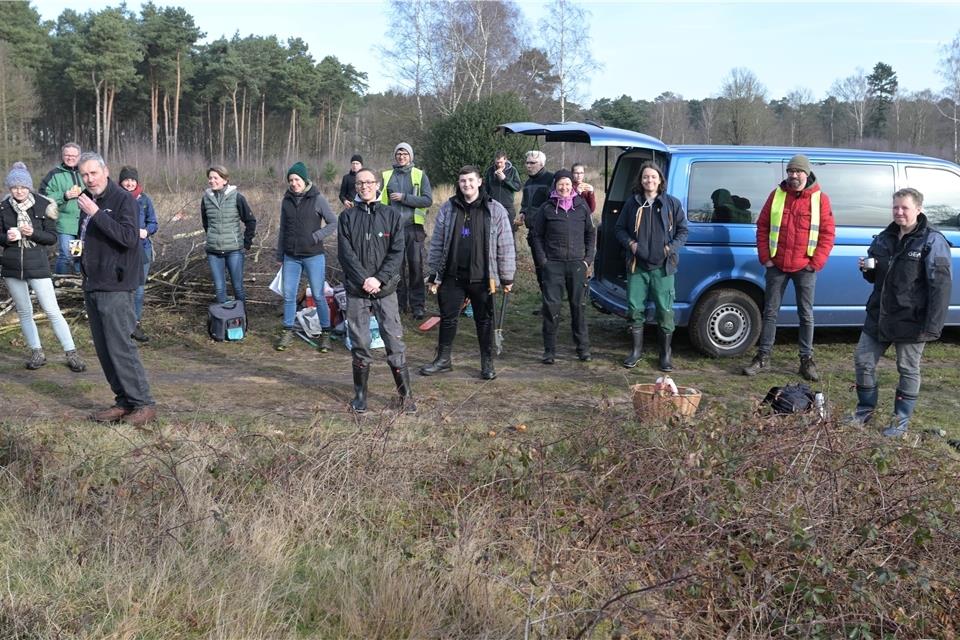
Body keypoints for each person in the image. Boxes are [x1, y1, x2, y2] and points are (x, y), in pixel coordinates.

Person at [851, 188, 951, 438]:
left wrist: (933, 326)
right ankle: (864, 412)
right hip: (879, 315)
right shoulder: (884, 237)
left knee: (907, 369)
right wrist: (866, 269)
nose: (899, 212)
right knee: (863, 361)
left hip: (912, 320)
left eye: (904, 208)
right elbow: (875, 277)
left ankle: (900, 422)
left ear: (918, 209)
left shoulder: (932, 241)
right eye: (895, 207)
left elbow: (941, 286)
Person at [76, 152, 156, 426]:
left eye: (93, 173)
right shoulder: (87, 202)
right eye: (84, 175)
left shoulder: (122, 200)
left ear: (105, 171)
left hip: (116, 284)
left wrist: (96, 214)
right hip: (93, 282)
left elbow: (128, 238)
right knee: (104, 348)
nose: (89, 179)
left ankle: (143, 403)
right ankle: (123, 401)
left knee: (121, 346)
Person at [742, 154, 835, 381]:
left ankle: (806, 360)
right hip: (777, 265)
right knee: (770, 312)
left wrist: (816, 263)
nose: (793, 175)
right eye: (790, 171)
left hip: (805, 267)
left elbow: (827, 233)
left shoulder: (820, 199)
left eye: (798, 171)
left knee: (806, 315)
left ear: (806, 173)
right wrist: (766, 257)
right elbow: (762, 226)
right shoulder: (776, 196)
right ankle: (763, 357)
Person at [420, 165, 516, 380]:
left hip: (483, 278)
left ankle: (487, 362)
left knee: (484, 321)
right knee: (448, 318)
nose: (467, 185)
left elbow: (506, 246)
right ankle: (443, 360)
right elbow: (437, 243)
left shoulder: (495, 209)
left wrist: (507, 276)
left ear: (480, 181)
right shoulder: (449, 208)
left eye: (471, 180)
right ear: (459, 183)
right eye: (463, 181)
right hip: (453, 277)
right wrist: (434, 274)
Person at [338, 169, 415, 414]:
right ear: (356, 187)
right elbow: (345, 254)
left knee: (394, 340)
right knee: (360, 342)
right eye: (360, 183)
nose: (365, 186)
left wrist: (379, 280)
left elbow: (397, 252)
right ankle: (360, 396)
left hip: (386, 289)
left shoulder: (392, 215)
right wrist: (364, 279)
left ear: (377, 185)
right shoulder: (347, 217)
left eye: (369, 182)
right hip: (357, 290)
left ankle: (406, 396)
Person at [0, 162, 86, 373]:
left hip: (37, 264)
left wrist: (33, 233)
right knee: (24, 311)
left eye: (22, 186)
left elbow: (52, 238)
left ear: (29, 186)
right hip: (12, 266)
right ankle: (37, 352)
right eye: (14, 187)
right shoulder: (3, 207)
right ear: (9, 188)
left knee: (52, 310)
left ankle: (71, 352)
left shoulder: (43, 204)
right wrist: (7, 238)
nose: (19, 191)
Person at [614, 161, 689, 371]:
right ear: (641, 180)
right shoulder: (632, 203)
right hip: (637, 266)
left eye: (653, 177)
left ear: (660, 180)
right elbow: (619, 229)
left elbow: (683, 231)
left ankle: (665, 355)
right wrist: (631, 244)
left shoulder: (671, 204)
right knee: (634, 308)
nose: (649, 180)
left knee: (665, 311)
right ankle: (636, 352)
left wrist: (669, 249)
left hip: (663, 267)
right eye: (646, 177)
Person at [530, 169, 596, 364]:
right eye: (561, 184)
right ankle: (549, 351)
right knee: (551, 309)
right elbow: (536, 235)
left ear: (572, 186)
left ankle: (582, 349)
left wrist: (587, 260)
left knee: (579, 307)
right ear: (555, 186)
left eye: (567, 184)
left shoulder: (581, 206)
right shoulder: (546, 208)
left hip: (577, 265)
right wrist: (543, 261)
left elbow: (591, 234)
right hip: (553, 266)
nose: (564, 187)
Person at [274, 161, 338, 352]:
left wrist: (316, 236)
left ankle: (326, 333)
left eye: (297, 179)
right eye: (291, 180)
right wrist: (280, 253)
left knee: (318, 295)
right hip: (291, 256)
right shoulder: (286, 200)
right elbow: (283, 229)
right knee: (289, 296)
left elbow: (333, 223)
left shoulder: (317, 198)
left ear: (305, 180)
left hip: (313, 255)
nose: (294, 183)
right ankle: (287, 330)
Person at [381, 142, 433, 320]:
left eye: (405, 154)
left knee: (416, 268)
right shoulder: (387, 176)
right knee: (396, 269)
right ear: (395, 156)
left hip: (414, 229)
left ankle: (418, 306)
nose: (401, 156)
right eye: (399, 154)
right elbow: (381, 204)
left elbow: (427, 200)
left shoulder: (420, 175)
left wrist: (404, 198)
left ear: (410, 156)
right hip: (393, 230)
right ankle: (400, 304)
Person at [200, 165, 257, 305]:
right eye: (210, 178)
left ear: (225, 180)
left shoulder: (237, 197)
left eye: (215, 178)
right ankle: (223, 322)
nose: (212, 181)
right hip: (214, 251)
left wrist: (246, 243)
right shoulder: (206, 199)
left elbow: (250, 221)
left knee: (237, 287)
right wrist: (212, 238)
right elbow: (206, 223)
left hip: (234, 251)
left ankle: (242, 319)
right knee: (219, 289)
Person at [118, 166, 158, 343]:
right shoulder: (115, 198)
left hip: (142, 248)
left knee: (139, 289)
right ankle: (121, 324)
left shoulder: (145, 200)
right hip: (122, 249)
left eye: (132, 180)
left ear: (137, 182)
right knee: (123, 288)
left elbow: (153, 222)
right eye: (126, 180)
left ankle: (136, 323)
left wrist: (146, 231)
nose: (129, 183)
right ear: (121, 182)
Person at [39, 142, 83, 274]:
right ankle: (59, 281)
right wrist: (64, 196)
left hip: (83, 222)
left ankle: (77, 284)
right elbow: (44, 196)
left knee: (78, 255)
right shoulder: (54, 174)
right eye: (67, 155)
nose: (70, 158)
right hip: (65, 222)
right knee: (66, 255)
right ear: (62, 156)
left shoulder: (85, 172)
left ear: (79, 156)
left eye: (74, 155)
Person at [482, 151, 521, 231]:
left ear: (505, 160)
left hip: (508, 206)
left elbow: (518, 187)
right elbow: (486, 189)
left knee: (509, 232)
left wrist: (505, 179)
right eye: (497, 162)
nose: (499, 164)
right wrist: (487, 201)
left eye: (501, 162)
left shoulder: (512, 170)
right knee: (492, 232)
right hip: (492, 205)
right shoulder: (490, 171)